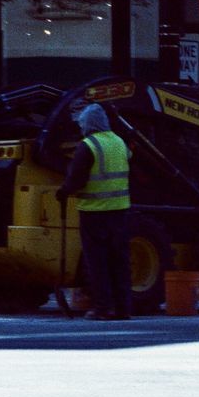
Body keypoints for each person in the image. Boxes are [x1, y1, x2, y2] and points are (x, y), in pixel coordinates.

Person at [56, 103, 133, 321]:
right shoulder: (120, 143)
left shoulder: (88, 145)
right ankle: (123, 308)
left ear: (87, 124)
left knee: (97, 263)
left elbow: (76, 179)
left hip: (94, 214)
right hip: (120, 212)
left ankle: (103, 308)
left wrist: (63, 192)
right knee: (119, 262)